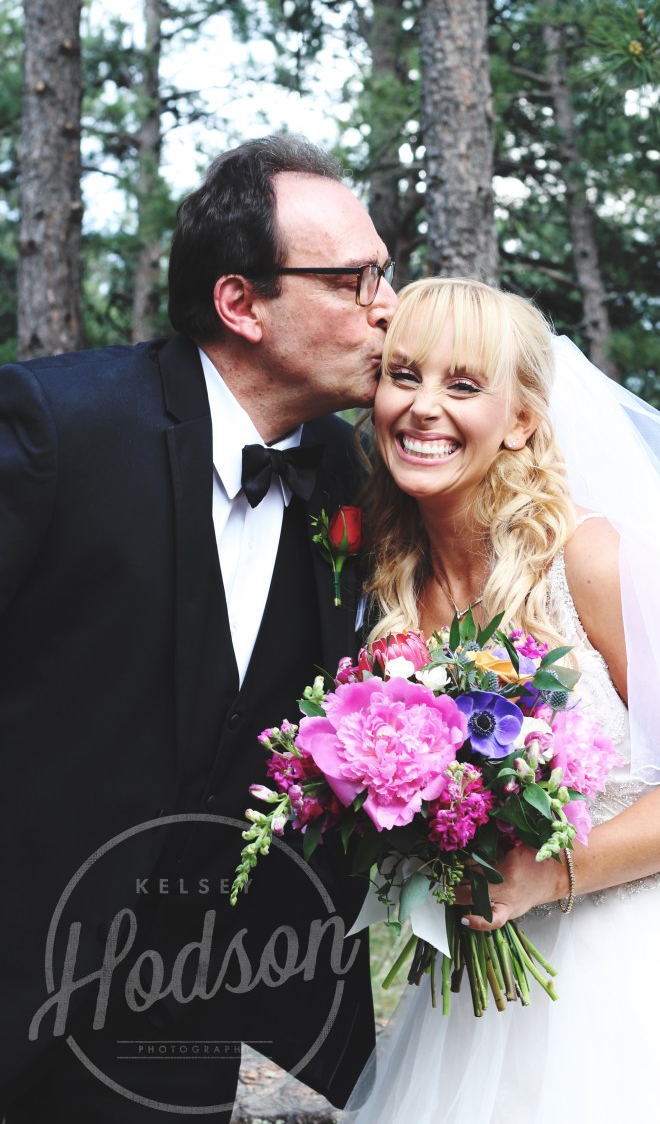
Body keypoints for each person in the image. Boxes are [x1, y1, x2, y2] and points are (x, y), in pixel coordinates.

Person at [343, 277, 660, 1124]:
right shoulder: (390, 585)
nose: (423, 407)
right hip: (494, 976)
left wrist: (548, 874)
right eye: (403, 375)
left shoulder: (594, 559)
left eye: (463, 384)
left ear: (521, 420)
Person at [0, 135, 397, 1123]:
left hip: (200, 1007)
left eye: (384, 274)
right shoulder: (59, 425)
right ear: (240, 303)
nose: (387, 306)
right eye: (353, 280)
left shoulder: (354, 477)